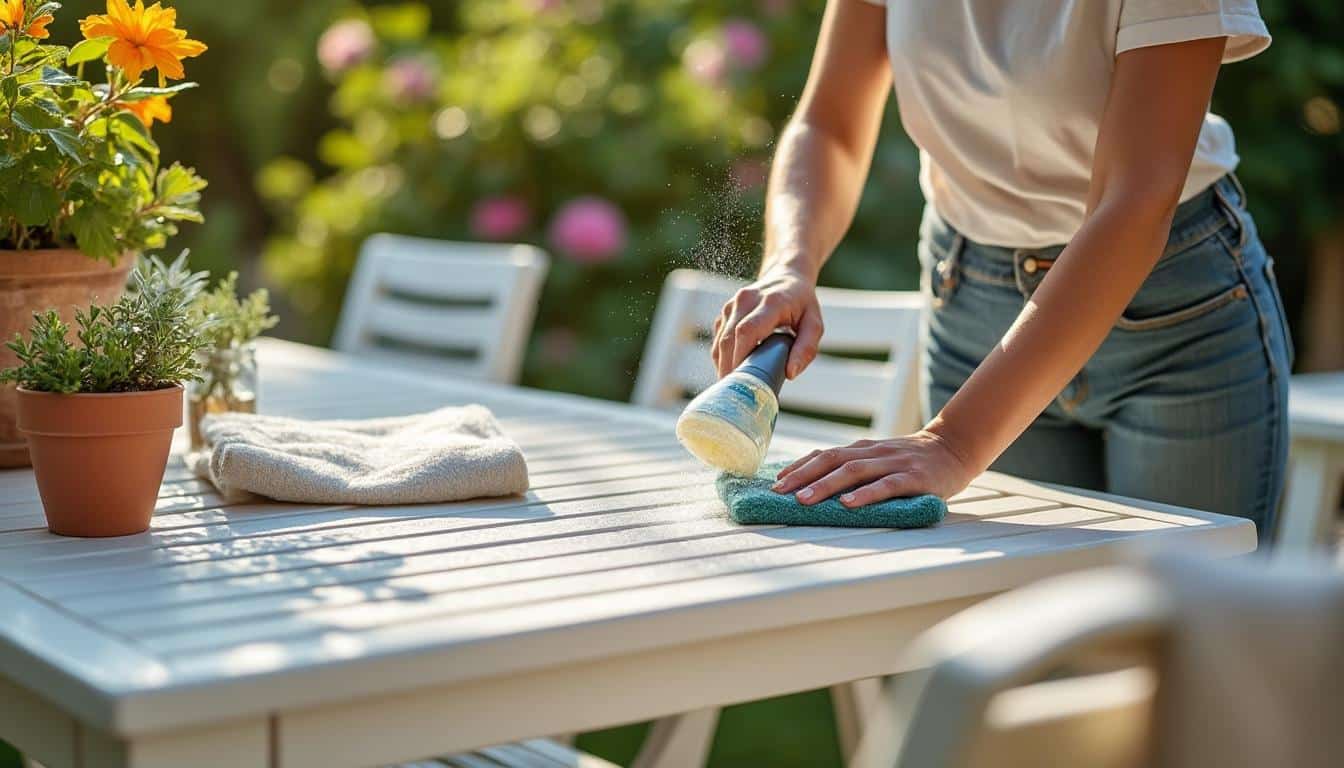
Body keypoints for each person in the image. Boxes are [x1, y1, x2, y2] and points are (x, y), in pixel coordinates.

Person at [711, 0, 1291, 539]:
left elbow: (1134, 203)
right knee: (1009, 611)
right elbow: (831, 124)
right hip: (973, 305)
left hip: (1174, 318)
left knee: (1186, 610)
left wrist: (953, 442)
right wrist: (789, 265)